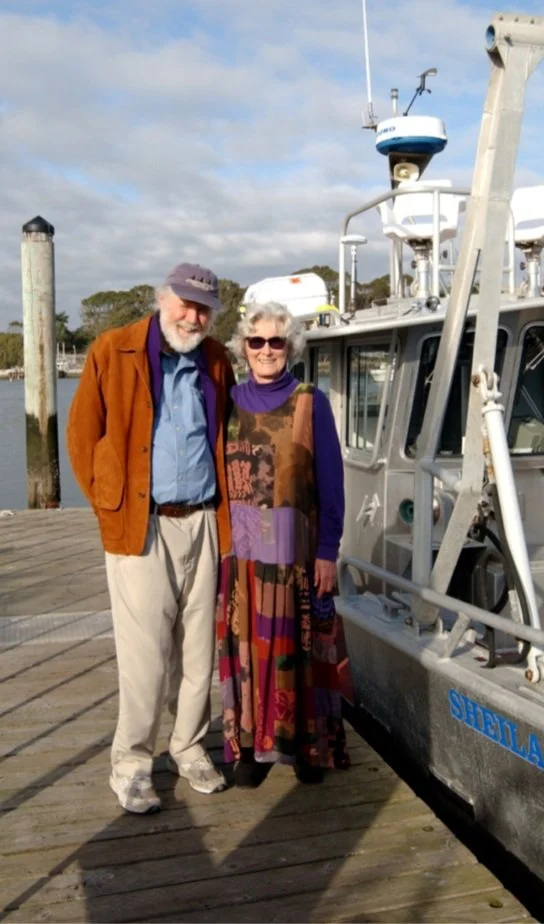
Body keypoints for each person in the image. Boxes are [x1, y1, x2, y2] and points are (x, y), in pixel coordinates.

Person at [67, 262, 235, 814]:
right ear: (163, 299)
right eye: (185, 303)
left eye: (204, 308)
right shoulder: (112, 349)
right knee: (144, 657)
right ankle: (132, 765)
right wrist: (109, 504)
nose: (193, 316)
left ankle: (187, 747)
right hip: (143, 524)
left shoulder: (216, 361)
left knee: (198, 651)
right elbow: (81, 436)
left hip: (205, 520)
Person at [217, 301, 350, 787]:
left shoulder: (311, 401)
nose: (267, 350)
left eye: (276, 341)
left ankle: (307, 749)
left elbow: (332, 484)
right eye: (257, 341)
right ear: (244, 348)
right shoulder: (229, 401)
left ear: (290, 347)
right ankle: (251, 748)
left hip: (298, 546)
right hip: (249, 547)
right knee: (251, 645)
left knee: (301, 645)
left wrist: (328, 551)